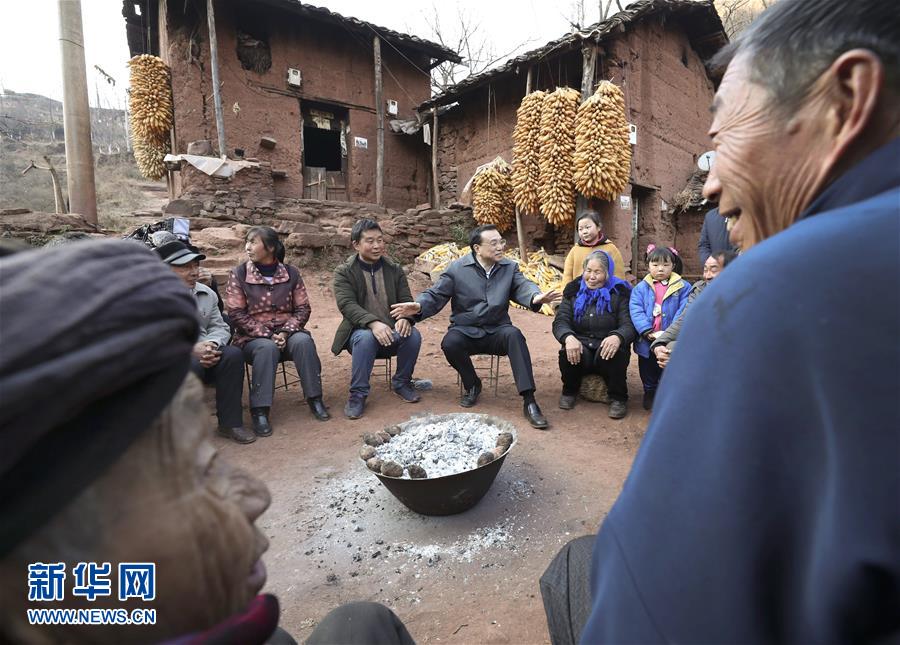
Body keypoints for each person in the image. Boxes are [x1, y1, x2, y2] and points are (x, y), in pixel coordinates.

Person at [575, 0, 900, 641]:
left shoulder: (779, 289)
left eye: (720, 139)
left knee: (573, 569)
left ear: (843, 99)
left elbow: (648, 614)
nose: (708, 186)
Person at [0, 240, 415, 644]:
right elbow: (238, 316)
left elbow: (268, 315)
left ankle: (310, 399)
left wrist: (248, 337)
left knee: (348, 622)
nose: (256, 496)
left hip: (264, 339)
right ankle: (261, 409)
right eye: (196, 472)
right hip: (258, 337)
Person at [391, 225, 561, 429]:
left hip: (497, 330)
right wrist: (419, 305)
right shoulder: (457, 269)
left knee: (514, 336)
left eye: (501, 242)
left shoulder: (509, 267)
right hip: (466, 330)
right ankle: (472, 384)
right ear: (477, 248)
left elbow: (523, 285)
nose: (500, 247)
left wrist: (536, 296)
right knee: (450, 343)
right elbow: (436, 294)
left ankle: (529, 401)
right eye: (494, 243)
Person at [225, 226, 330, 432]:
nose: (248, 247)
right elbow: (236, 314)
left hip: (287, 333)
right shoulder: (239, 274)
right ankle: (260, 410)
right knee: (267, 348)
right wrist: (268, 335)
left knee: (303, 342)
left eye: (253, 242)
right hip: (252, 338)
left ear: (271, 247)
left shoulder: (291, 273)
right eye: (247, 242)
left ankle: (315, 398)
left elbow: (303, 308)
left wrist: (284, 332)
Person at [156, 240, 254, 444]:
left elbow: (220, 326)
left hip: (204, 351)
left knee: (232, 355)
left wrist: (212, 345)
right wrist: (190, 350)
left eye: (195, 266)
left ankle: (230, 423)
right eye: (185, 267)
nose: (194, 272)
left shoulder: (205, 293)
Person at [332, 219, 422, 420]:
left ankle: (402, 383)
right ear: (356, 244)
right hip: (359, 335)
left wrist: (406, 319)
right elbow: (347, 305)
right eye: (370, 241)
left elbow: (406, 300)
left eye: (380, 240)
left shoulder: (394, 269)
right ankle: (358, 394)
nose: (377, 246)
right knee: (365, 337)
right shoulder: (344, 272)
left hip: (391, 333)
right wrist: (373, 323)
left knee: (413, 335)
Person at [552, 250, 634, 419]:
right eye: (588, 271)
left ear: (608, 273)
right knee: (567, 352)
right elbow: (561, 321)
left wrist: (617, 336)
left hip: (606, 348)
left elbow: (629, 324)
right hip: (582, 346)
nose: (592, 276)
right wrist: (568, 337)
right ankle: (570, 391)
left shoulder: (619, 292)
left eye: (598, 272)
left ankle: (618, 398)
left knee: (616, 353)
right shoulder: (573, 291)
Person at [628, 245, 690, 410]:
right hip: (647, 338)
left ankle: (667, 394)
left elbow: (684, 310)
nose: (660, 269)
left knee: (668, 365)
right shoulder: (640, 288)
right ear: (648, 266)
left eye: (665, 264)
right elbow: (636, 310)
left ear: (673, 265)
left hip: (670, 339)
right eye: (655, 265)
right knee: (648, 367)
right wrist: (647, 331)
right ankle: (650, 392)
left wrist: (669, 335)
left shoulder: (683, 287)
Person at [651, 249, 736, 367]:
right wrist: (659, 343)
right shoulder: (700, 290)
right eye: (705, 269)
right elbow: (685, 318)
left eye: (714, 270)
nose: (707, 276)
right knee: (670, 349)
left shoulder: (743, 294)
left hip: (730, 349)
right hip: (703, 343)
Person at [562, 211, 626, 284]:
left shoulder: (610, 249)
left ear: (598, 227)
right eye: (580, 229)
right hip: (579, 293)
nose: (584, 231)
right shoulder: (575, 250)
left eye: (587, 227)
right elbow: (567, 276)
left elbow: (619, 276)